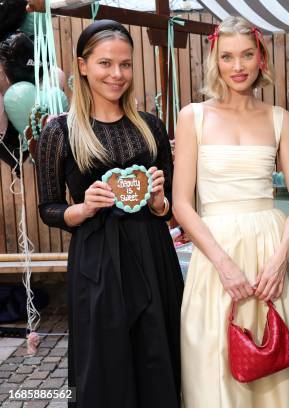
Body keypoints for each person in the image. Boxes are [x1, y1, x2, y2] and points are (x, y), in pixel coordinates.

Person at [36, 20, 183, 407]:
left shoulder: (151, 127)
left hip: (153, 257)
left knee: (156, 354)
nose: (116, 75)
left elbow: (169, 212)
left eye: (125, 64)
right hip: (97, 262)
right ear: (83, 66)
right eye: (105, 63)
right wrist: (82, 208)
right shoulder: (60, 132)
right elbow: (47, 209)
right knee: (103, 363)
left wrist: (159, 204)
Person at [172, 16, 289, 407]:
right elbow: (182, 202)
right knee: (212, 363)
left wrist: (281, 260)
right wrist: (224, 265)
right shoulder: (192, 116)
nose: (238, 66)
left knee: (277, 361)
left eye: (247, 54)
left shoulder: (279, 117)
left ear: (260, 57)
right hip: (217, 256)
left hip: (272, 252)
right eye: (228, 56)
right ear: (215, 59)